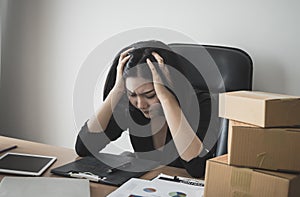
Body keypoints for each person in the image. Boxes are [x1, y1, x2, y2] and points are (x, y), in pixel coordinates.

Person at [75, 40, 216, 178]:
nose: (141, 104)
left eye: (150, 95)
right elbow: (84, 148)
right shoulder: (132, 109)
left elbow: (198, 169)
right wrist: (117, 90)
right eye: (132, 94)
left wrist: (167, 98)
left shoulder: (202, 105)